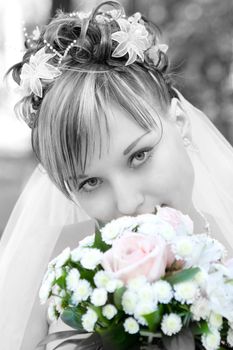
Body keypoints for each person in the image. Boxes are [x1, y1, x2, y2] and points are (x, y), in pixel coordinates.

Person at [1, 1, 233, 349]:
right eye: (90, 182)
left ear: (180, 123)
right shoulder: (46, 272)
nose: (128, 203)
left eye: (139, 156)